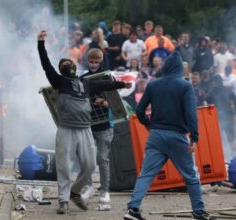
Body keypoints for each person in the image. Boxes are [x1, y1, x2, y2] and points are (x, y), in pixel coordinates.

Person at [37, 31, 131, 215]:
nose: (67, 64)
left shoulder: (84, 83)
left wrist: (121, 84)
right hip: (67, 129)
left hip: (85, 129)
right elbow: (45, 64)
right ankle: (63, 201)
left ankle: (74, 192)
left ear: (73, 65)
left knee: (89, 166)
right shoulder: (59, 81)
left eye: (68, 62)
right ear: (62, 70)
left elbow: (104, 85)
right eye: (63, 64)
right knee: (64, 165)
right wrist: (40, 44)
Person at [124, 52, 212, 220]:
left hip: (156, 136)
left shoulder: (153, 85)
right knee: (191, 176)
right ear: (179, 68)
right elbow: (191, 113)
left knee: (146, 174)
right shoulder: (185, 86)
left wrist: (149, 125)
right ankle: (199, 212)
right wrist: (194, 137)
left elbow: (139, 110)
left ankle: (133, 210)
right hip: (177, 136)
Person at [79, 48, 116, 209]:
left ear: (101, 61)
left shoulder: (108, 78)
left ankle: (105, 191)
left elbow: (115, 103)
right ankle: (89, 187)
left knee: (102, 158)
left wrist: (104, 103)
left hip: (104, 125)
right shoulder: (83, 79)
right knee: (86, 158)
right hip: (87, 125)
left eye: (96, 61)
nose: (93, 64)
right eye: (91, 61)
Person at [207, 75, 236, 162]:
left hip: (225, 119)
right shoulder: (213, 93)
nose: (213, 83)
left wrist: (234, 113)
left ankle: (229, 158)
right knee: (226, 139)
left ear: (216, 82)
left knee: (229, 139)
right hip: (220, 119)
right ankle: (228, 158)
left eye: (214, 82)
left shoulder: (215, 92)